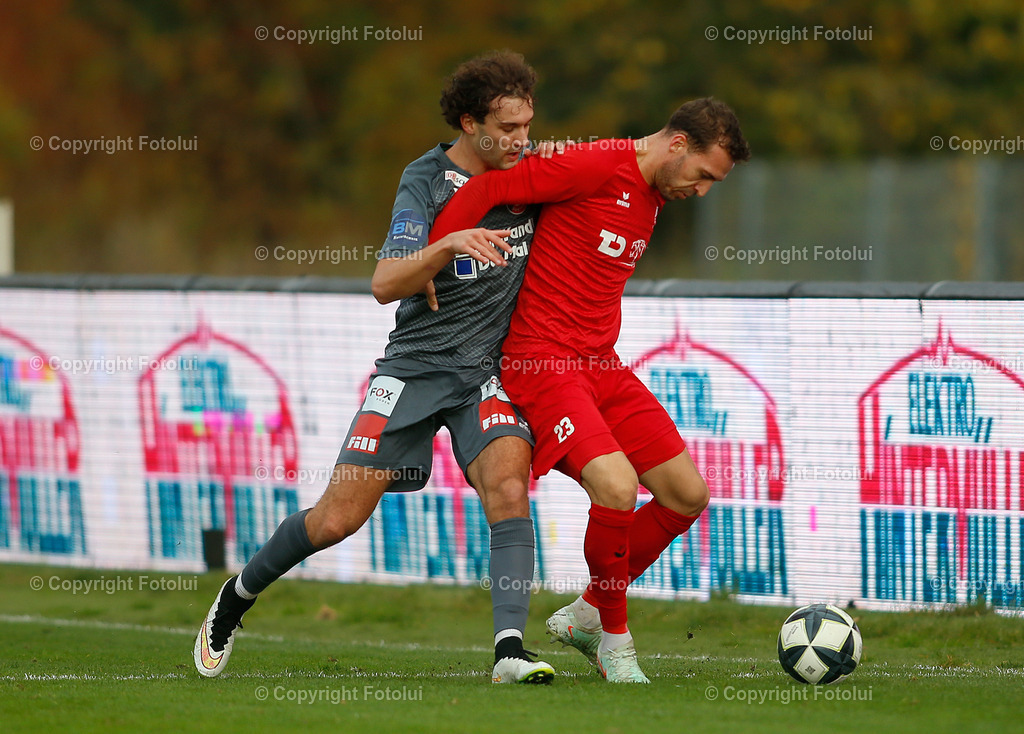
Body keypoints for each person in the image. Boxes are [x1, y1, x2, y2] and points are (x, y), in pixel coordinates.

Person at [194, 50, 559, 685]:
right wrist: (445, 244)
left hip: (484, 374)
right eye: (508, 128)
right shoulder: (425, 178)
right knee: (336, 519)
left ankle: (508, 649)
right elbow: (385, 281)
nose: (521, 141)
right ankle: (237, 596)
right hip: (414, 371)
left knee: (507, 485)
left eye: (527, 127)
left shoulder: (532, 176)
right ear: (470, 124)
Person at [429, 97, 751, 683]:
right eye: (704, 176)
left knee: (686, 494)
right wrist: (434, 256)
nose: (702, 191)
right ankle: (615, 643)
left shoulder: (652, 195)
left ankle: (587, 614)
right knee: (617, 485)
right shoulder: (597, 165)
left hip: (600, 365)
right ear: (677, 144)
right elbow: (486, 191)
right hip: (541, 362)